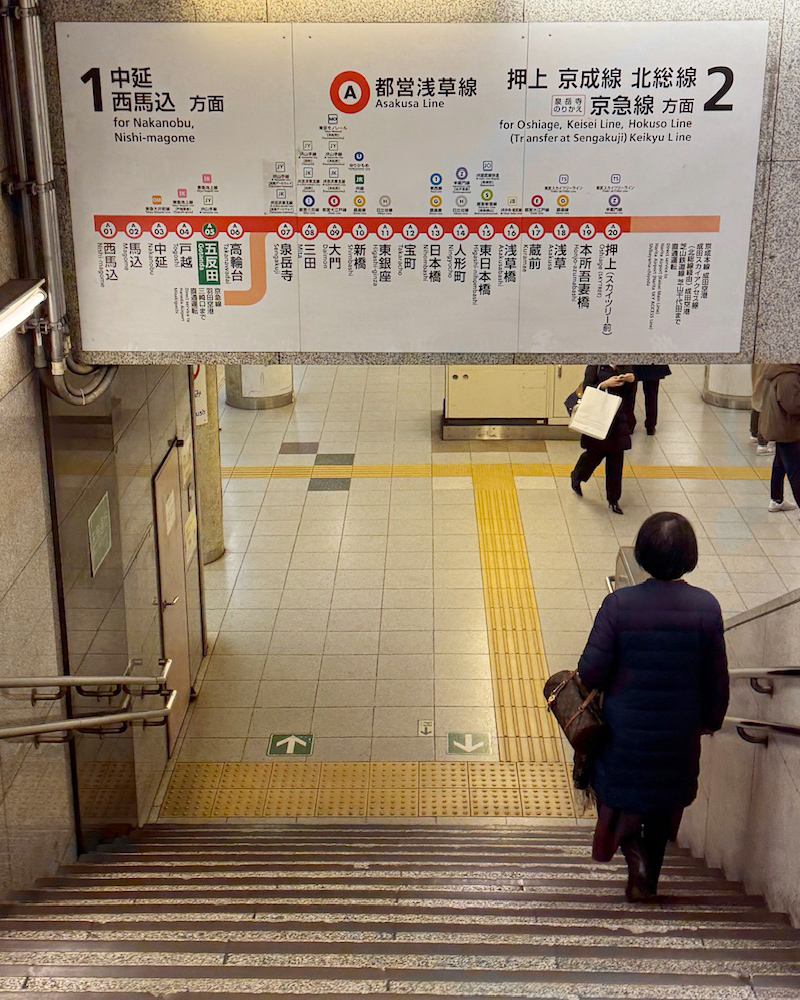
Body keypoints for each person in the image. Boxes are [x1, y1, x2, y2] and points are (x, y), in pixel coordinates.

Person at [577, 512, 729, 903]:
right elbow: (715, 677)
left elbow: (590, 671)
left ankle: (633, 853)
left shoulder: (619, 605)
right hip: (678, 737)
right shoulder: (706, 607)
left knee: (618, 794)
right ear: (690, 556)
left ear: (642, 554)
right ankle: (645, 882)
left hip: (623, 735)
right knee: (662, 808)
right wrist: (711, 720)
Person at [570, 364, 636, 515]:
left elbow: (630, 395)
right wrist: (604, 385)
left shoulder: (625, 365)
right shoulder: (596, 365)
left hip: (618, 421)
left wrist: (632, 380)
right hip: (599, 419)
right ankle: (577, 476)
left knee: (616, 463)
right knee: (593, 456)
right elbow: (587, 389)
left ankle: (613, 499)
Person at [760, 364, 800, 517]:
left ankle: (777, 499)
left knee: (780, 463)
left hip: (779, 425)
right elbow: (793, 405)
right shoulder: (788, 376)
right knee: (795, 470)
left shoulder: (777, 370)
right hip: (787, 429)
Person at [631, 365, 671, 435]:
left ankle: (629, 424)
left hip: (632, 363)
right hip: (652, 363)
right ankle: (650, 425)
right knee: (651, 394)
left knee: (630, 392)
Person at [750, 363, 775, 456]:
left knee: (757, 398)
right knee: (765, 403)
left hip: (759, 365)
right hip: (768, 368)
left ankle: (754, 434)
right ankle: (763, 444)